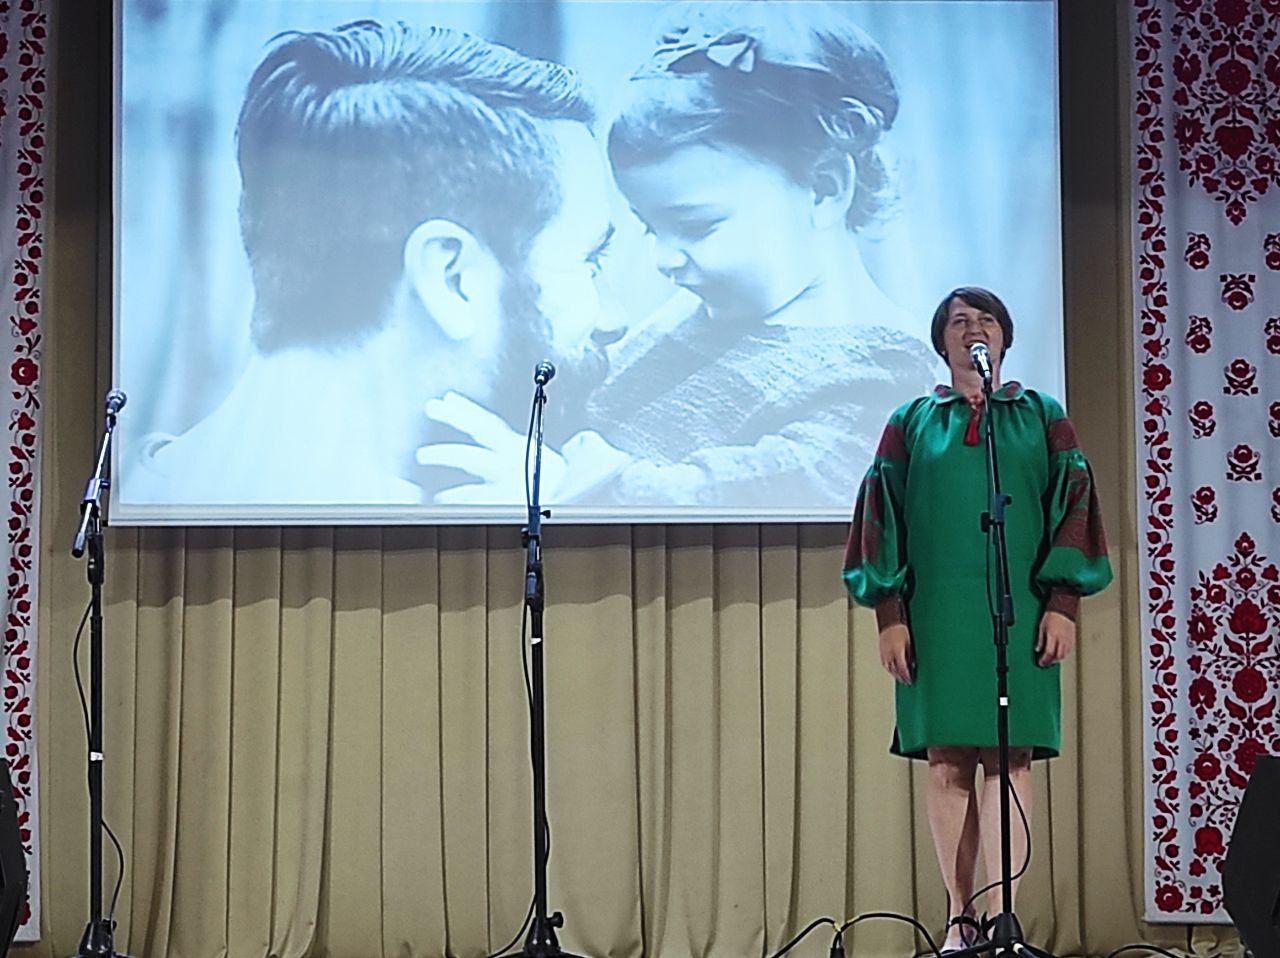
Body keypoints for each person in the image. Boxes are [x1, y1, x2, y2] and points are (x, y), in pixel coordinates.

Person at [124, 19, 619, 506]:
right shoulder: (460, 543)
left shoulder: (131, 499)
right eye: (590, 260)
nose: (613, 319)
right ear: (452, 277)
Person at [573, 1, 940, 508]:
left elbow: (787, 483)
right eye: (650, 227)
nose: (663, 258)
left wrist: (591, 482)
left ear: (824, 188)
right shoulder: (692, 314)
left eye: (695, 226)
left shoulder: (883, 369)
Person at [842, 287, 1112, 950]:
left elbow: (1073, 505)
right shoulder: (911, 421)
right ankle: (960, 918)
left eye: (985, 319)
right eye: (958, 321)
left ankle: (1003, 918)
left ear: (1004, 337)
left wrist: (1063, 603)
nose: (973, 329)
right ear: (942, 343)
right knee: (947, 760)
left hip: (1019, 614)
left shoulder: (1041, 415)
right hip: (936, 616)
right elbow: (881, 517)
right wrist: (889, 614)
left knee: (1010, 756)